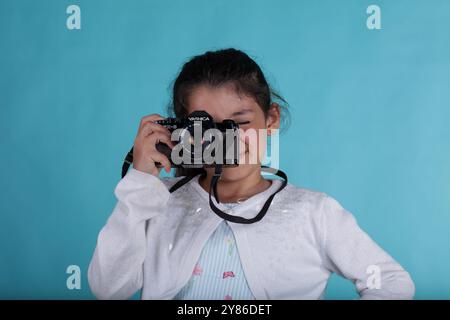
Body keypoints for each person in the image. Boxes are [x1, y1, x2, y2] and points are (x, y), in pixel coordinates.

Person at [88, 48, 415, 300]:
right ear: (183, 131)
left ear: (270, 119)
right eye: (208, 127)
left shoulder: (314, 212)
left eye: (239, 123)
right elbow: (108, 288)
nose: (224, 140)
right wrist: (141, 181)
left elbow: (390, 281)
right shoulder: (157, 200)